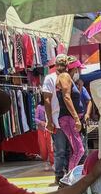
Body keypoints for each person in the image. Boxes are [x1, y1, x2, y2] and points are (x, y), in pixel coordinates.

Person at [42, 55, 71, 184]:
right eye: (59, 63)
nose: (61, 65)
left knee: (71, 150)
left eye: (63, 63)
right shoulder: (50, 78)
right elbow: (46, 100)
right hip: (56, 119)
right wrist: (49, 120)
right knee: (60, 150)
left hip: (68, 119)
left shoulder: (68, 77)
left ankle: (69, 173)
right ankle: (59, 175)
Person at [55, 59, 86, 173]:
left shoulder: (67, 78)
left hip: (69, 118)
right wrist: (76, 118)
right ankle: (70, 179)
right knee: (79, 150)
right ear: (73, 68)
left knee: (76, 150)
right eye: (78, 69)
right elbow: (66, 97)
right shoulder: (65, 76)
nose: (79, 72)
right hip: (68, 118)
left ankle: (71, 176)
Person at [34, 102, 53, 171]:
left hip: (50, 130)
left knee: (51, 147)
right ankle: (45, 162)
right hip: (41, 130)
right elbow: (35, 118)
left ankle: (52, 163)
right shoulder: (39, 107)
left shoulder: (52, 105)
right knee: (43, 147)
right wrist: (40, 122)